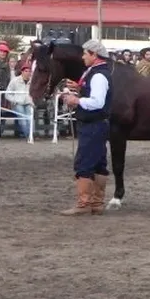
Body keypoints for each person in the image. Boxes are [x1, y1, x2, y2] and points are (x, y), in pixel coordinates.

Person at [59, 39, 113, 216]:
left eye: (85, 53)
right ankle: (97, 203)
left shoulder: (97, 76)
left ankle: (83, 204)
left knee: (84, 162)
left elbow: (97, 102)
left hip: (93, 124)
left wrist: (77, 100)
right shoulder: (98, 73)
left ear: (94, 55)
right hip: (99, 124)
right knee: (99, 164)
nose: (82, 57)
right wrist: (81, 89)